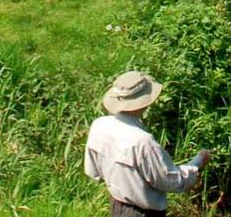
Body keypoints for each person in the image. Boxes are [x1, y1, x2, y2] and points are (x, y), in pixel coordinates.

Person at [85, 70, 211, 217]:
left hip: (116, 207)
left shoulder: (99, 125)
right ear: (144, 102)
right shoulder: (143, 141)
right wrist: (198, 161)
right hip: (143, 213)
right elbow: (170, 181)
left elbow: (93, 172)